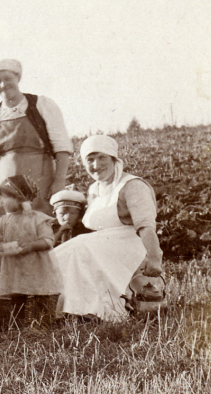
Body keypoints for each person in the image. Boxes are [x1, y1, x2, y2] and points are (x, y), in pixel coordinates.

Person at [0, 60, 72, 285]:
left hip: (41, 184)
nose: (3, 84)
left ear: (18, 78)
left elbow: (62, 147)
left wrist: (59, 184)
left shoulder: (41, 105)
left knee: (40, 233)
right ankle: (10, 293)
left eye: (7, 78)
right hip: (4, 193)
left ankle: (47, 291)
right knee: (6, 237)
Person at [52, 135, 165, 319]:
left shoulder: (132, 186)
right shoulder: (94, 190)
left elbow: (146, 227)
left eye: (102, 157)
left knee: (79, 247)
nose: (96, 165)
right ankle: (72, 310)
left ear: (114, 158)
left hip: (131, 248)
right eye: (90, 159)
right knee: (63, 253)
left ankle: (97, 310)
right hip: (102, 248)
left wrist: (154, 257)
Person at [0, 175, 60, 296]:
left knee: (37, 293)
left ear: (18, 198)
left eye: (4, 197)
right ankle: (18, 311)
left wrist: (32, 245)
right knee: (15, 293)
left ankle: (39, 310)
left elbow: (48, 240)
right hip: (13, 266)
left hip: (35, 265)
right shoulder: (3, 221)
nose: (1, 202)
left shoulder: (37, 218)